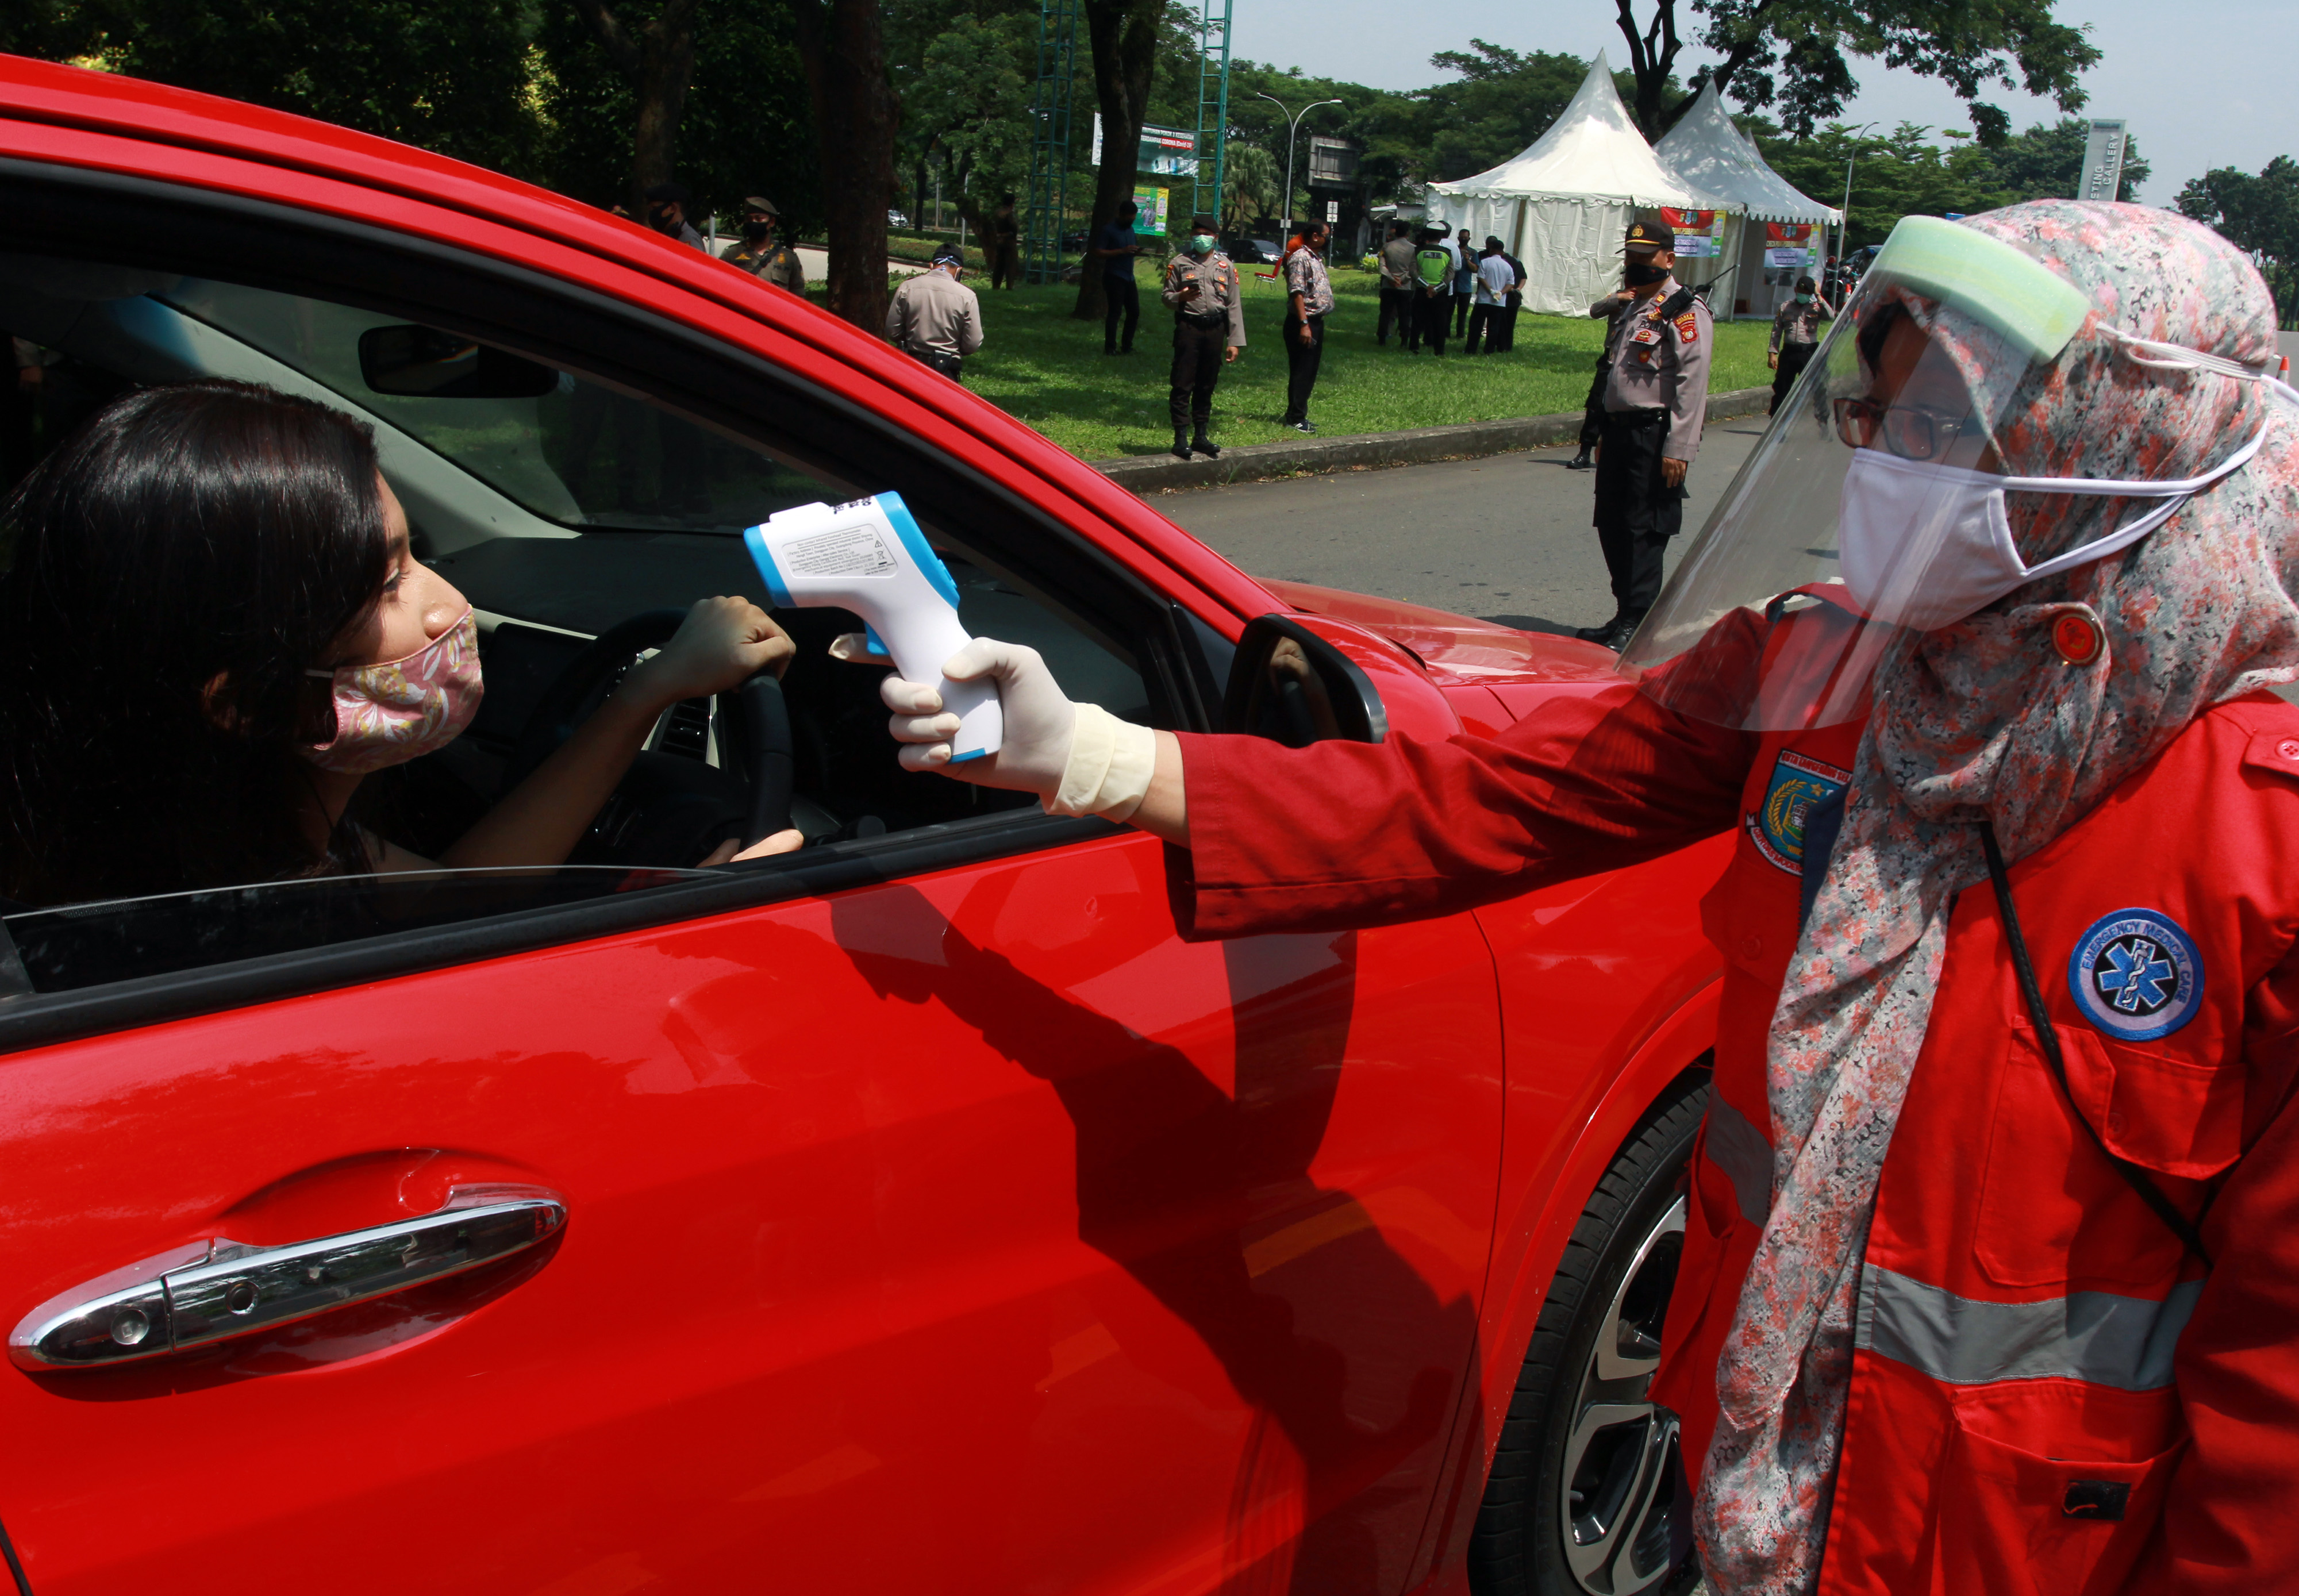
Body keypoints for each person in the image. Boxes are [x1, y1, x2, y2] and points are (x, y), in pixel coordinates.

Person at [862, 201, 2299, 1596]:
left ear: (2117, 445)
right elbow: (1498, 792)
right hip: (1739, 1482)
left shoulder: (2261, 842)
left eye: (1939, 435)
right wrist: (1101, 757)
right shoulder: (1826, 675)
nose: (1882, 468)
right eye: (1876, 421)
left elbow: (2277, 1405)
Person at [0, 380, 802, 909]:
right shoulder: (230, 941)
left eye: (414, 552)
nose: (448, 603)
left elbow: (459, 898)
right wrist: (690, 925)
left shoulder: (253, 850)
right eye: (387, 586)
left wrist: (651, 688)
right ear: (244, 700)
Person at [1577, 218, 1710, 651]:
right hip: (1618, 433)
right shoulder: (1632, 306)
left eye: (1644, 257)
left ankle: (1639, 619)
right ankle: (1623, 613)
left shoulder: (1686, 311)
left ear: (1668, 259)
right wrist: (1602, 431)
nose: (1635, 264)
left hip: (1654, 436)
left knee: (1643, 528)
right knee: (1612, 523)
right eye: (1630, 257)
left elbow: (1693, 383)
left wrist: (1680, 447)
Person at [1160, 216, 1245, 461]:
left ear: (1215, 237)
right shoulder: (1179, 263)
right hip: (1189, 327)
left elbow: (1234, 304)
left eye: (1206, 233)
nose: (1201, 238)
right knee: (1182, 381)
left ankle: (1201, 435)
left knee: (1207, 383)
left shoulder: (1226, 266)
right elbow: (1166, 296)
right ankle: (1181, 437)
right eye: (1197, 233)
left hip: (1215, 329)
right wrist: (1180, 298)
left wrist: (1234, 341)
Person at [883, 245, 983, 380]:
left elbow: (892, 330)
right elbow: (972, 343)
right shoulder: (967, 296)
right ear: (959, 270)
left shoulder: (907, 287)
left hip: (910, 364)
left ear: (931, 265)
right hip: (946, 369)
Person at [1280, 220, 1333, 433]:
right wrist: (1304, 324)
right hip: (1304, 322)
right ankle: (1296, 417)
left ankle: (1298, 412)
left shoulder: (1314, 257)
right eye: (1325, 235)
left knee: (1310, 371)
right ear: (1314, 236)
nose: (1327, 239)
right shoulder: (1301, 258)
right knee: (1302, 370)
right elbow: (1297, 293)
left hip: (1315, 322)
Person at [1767, 274, 1832, 414]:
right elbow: (1776, 331)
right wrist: (1772, 353)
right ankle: (1775, 422)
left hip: (1809, 352)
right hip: (1789, 352)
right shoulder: (1786, 307)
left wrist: (1818, 295)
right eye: (1801, 292)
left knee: (1818, 387)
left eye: (1807, 293)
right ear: (1796, 290)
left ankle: (1823, 420)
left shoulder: (1816, 307)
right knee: (1781, 388)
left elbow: (1830, 316)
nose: (1803, 295)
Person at [720, 195, 805, 293]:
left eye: (759, 219)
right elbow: (720, 287)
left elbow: (798, 295)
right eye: (749, 219)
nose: (753, 222)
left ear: (772, 222)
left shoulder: (789, 258)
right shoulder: (731, 255)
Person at [1091, 200, 1144, 355]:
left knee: (1134, 312)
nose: (1131, 221)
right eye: (1129, 218)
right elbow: (1099, 252)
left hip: (1129, 277)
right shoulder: (1109, 230)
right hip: (1114, 276)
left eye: (1134, 219)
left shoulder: (1130, 230)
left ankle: (1127, 346)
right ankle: (1110, 347)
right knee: (1115, 313)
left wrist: (1136, 251)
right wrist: (1121, 251)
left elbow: (1129, 250)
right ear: (1121, 215)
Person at [1412, 224, 1458, 358]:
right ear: (1441, 237)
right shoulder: (1447, 253)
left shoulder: (1418, 251)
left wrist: (1427, 286)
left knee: (1417, 320)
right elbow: (1451, 274)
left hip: (1422, 290)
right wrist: (1436, 288)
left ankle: (1414, 347)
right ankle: (1440, 350)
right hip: (1440, 293)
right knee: (1440, 322)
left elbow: (1413, 271)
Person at [1463, 236, 1514, 355]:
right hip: (1499, 302)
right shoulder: (1507, 266)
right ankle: (1489, 350)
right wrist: (1501, 292)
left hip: (1484, 300)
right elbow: (1511, 283)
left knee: (1476, 326)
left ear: (1491, 249)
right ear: (1502, 251)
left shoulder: (1485, 262)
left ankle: (1471, 349)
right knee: (1494, 327)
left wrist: (1491, 291)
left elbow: (1481, 278)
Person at [1378, 221, 1417, 348]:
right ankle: (1404, 340)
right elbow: (1414, 270)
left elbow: (1382, 266)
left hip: (1388, 286)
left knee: (1385, 313)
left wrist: (1391, 277)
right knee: (1405, 314)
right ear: (1408, 233)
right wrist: (1403, 279)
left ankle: (1382, 338)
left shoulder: (1387, 247)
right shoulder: (1414, 249)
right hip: (1405, 286)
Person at [642, 182, 708, 252]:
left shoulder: (686, 237)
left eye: (655, 208)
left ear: (673, 208)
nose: (652, 213)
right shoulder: (672, 234)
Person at [991, 194, 1022, 291]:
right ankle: (1010, 286)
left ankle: (996, 286)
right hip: (1009, 240)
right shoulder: (1009, 213)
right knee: (1011, 264)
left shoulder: (997, 212)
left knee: (999, 264)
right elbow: (1014, 227)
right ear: (1012, 203)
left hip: (999, 240)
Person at [1451, 228, 1478, 337]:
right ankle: (1446, 333)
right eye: (1461, 238)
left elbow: (1475, 269)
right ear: (1458, 238)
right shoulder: (1454, 250)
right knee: (1449, 311)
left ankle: (1460, 334)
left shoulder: (1473, 252)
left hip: (1465, 287)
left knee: (1462, 314)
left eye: (1465, 238)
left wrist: (1467, 260)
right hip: (1453, 286)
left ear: (1469, 239)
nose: (1463, 239)